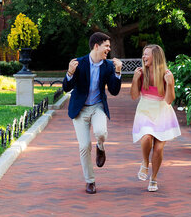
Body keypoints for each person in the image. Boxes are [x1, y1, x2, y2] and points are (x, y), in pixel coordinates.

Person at [63, 32, 122, 194]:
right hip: (80, 110)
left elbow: (114, 91)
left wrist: (117, 72)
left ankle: (101, 147)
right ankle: (90, 181)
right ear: (97, 46)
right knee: (84, 146)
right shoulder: (79, 63)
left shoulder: (108, 66)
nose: (109, 49)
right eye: (106, 46)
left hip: (97, 107)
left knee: (101, 132)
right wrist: (69, 73)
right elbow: (66, 88)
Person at [131, 43, 181, 192]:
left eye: (147, 54)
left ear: (156, 57)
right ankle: (145, 163)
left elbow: (169, 100)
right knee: (146, 137)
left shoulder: (166, 74)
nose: (143, 56)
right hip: (145, 110)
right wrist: (135, 79)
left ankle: (153, 179)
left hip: (162, 112)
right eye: (143, 54)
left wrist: (170, 84)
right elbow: (134, 96)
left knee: (158, 149)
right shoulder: (141, 73)